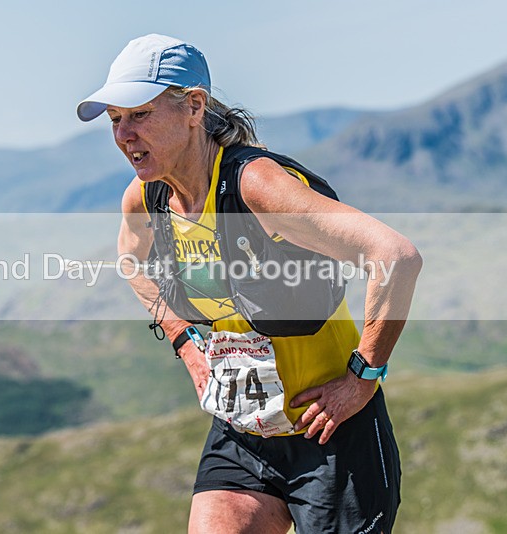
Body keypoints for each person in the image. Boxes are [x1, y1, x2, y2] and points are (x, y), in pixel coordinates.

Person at [77, 34, 421, 534]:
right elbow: (132, 261)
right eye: (115, 120)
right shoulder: (146, 197)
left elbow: (395, 256)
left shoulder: (256, 185)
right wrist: (183, 339)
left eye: (140, 114)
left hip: (328, 430)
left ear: (194, 106)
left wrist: (363, 377)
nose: (124, 134)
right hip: (242, 429)